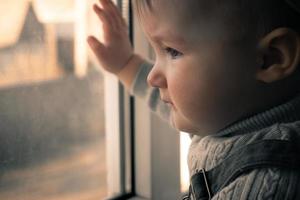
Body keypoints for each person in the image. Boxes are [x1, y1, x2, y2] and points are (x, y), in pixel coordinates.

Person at [87, 0, 300, 199]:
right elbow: (171, 102)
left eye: (172, 51)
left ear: (271, 58)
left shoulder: (268, 182)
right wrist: (126, 64)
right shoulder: (229, 116)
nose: (152, 77)